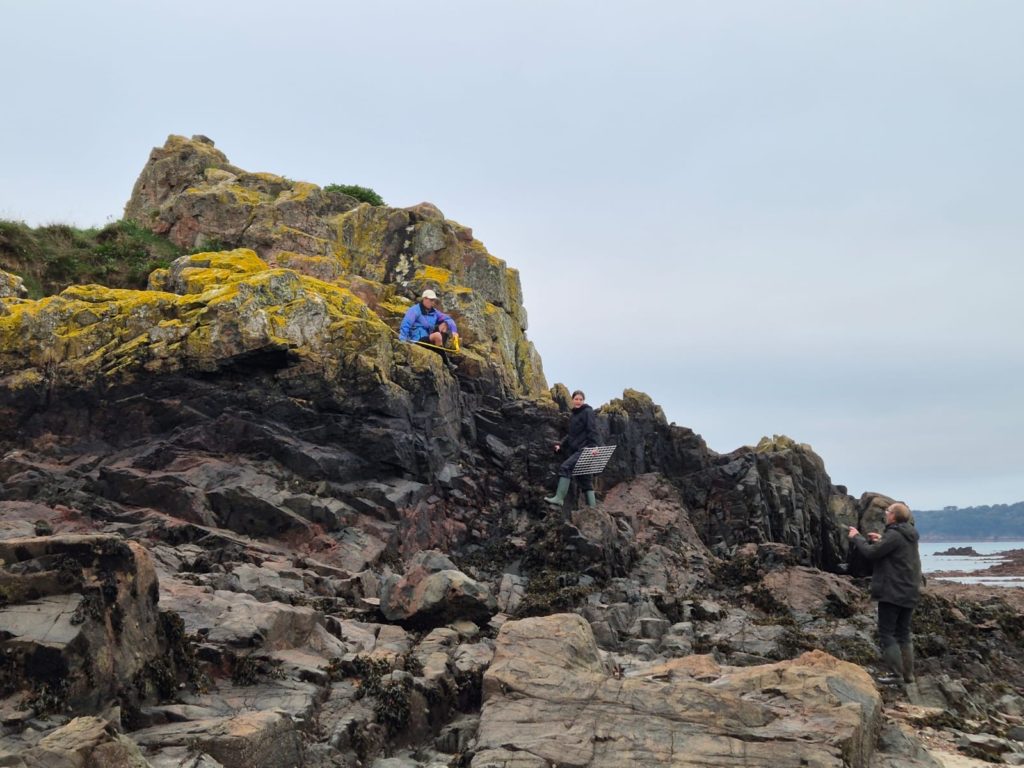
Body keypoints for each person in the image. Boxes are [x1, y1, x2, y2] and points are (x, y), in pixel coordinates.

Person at [848, 501, 923, 684]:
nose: (886, 513)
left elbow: (871, 553)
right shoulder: (908, 534)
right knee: (903, 633)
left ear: (893, 516)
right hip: (909, 591)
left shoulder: (895, 535)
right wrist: (881, 540)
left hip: (893, 592)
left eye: (888, 511)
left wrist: (857, 537)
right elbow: (891, 550)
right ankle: (908, 676)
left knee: (887, 633)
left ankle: (897, 675)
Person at [545, 390, 600, 509]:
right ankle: (593, 508)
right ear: (572, 400)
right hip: (577, 450)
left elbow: (592, 429)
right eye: (576, 399)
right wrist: (560, 445)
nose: (578, 401)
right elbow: (570, 435)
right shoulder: (574, 415)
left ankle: (559, 499)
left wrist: (594, 446)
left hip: (586, 449)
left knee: (565, 467)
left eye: (581, 399)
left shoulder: (587, 411)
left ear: (583, 401)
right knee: (585, 479)